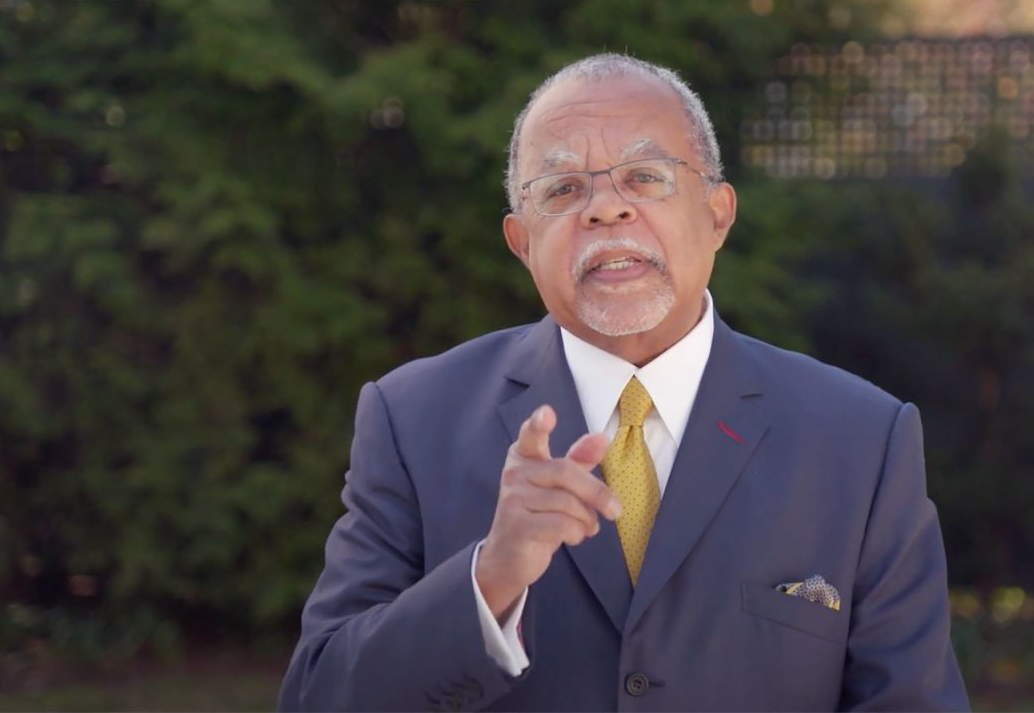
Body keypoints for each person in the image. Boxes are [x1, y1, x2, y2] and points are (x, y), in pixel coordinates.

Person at [279, 53, 969, 712]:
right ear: (522, 242)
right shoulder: (412, 419)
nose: (605, 210)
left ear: (719, 213)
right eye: (562, 189)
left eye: (646, 177)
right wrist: (488, 579)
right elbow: (319, 697)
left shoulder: (859, 439)